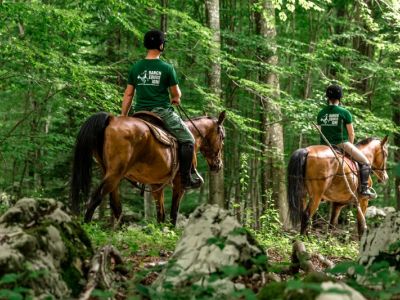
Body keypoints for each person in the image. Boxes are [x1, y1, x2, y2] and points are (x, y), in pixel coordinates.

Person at [121, 29, 203, 189]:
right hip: (161, 112)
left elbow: (129, 94)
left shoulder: (136, 67)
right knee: (188, 140)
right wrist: (176, 98)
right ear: (161, 46)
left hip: (139, 114)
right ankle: (186, 179)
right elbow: (176, 93)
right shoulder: (166, 68)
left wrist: (124, 115)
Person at [317, 84, 375, 198]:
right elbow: (351, 133)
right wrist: (351, 146)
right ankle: (364, 189)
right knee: (365, 161)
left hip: (325, 146)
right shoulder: (344, 112)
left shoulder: (321, 113)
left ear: (327, 98)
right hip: (341, 143)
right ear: (340, 98)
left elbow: (320, 132)